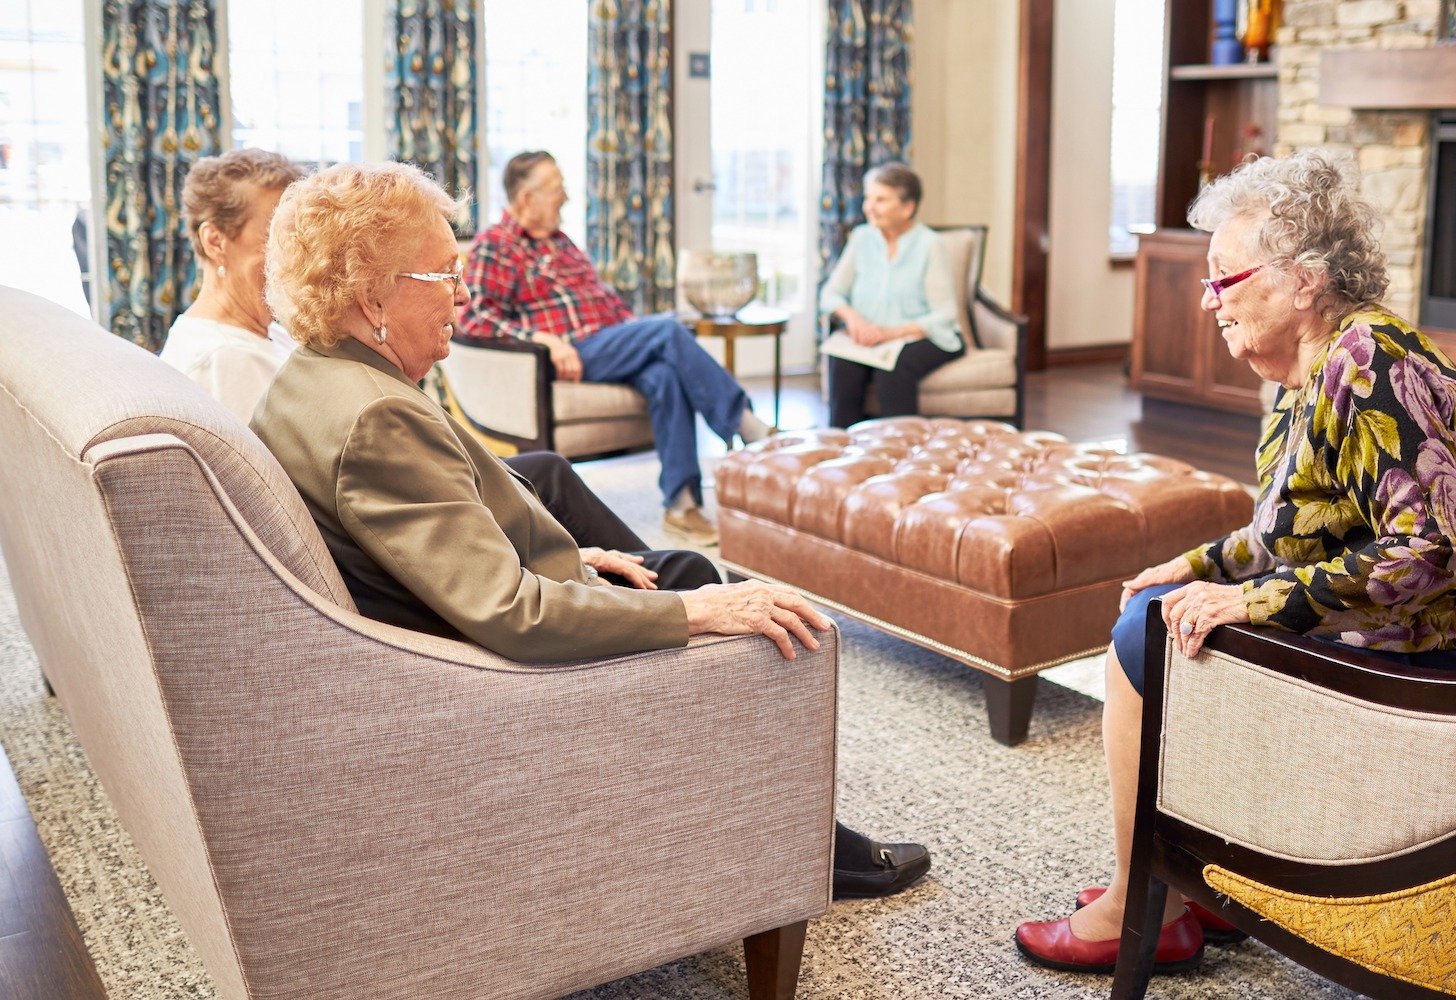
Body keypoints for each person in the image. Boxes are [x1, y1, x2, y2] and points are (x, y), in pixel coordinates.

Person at [251, 160, 931, 899]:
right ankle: (805, 848)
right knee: (712, 593)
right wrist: (695, 612)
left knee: (677, 549)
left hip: (463, 627)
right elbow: (511, 614)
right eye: (445, 275)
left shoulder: (311, 378)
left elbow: (445, 546)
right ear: (369, 290)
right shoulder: (379, 418)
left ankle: (797, 831)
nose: (462, 294)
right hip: (502, 680)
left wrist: (567, 553)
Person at [1013, 151, 1456, 975]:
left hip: (1452, 661)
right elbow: (1288, 531)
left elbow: (1436, 551)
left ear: (1303, 279)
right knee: (1156, 613)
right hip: (1404, 636)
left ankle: (1143, 907)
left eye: (1225, 278)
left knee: (1142, 642)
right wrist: (1197, 566)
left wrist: (1251, 605)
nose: (1208, 299)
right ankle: (1191, 886)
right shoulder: (1308, 371)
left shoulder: (1374, 365)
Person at [459, 150, 775, 548]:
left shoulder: (562, 242)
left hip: (607, 342)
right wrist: (544, 340)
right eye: (557, 190)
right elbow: (474, 317)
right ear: (526, 198)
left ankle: (681, 503)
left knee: (663, 372)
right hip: (564, 354)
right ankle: (749, 428)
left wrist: (634, 332)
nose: (566, 198)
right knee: (667, 332)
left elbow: (606, 302)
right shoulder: (497, 245)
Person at [160, 148, 306, 423]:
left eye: (297, 233)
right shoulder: (224, 362)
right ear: (215, 241)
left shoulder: (271, 332)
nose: (296, 252)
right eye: (274, 235)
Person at [818, 163, 962, 429]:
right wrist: (854, 321)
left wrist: (890, 334)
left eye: (881, 200)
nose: (869, 207)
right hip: (870, 335)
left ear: (908, 207)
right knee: (843, 361)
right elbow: (830, 293)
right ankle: (841, 448)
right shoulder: (861, 238)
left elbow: (945, 314)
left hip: (922, 336)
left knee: (894, 367)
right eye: (868, 198)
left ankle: (901, 448)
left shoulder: (930, 245)